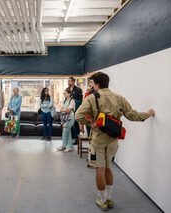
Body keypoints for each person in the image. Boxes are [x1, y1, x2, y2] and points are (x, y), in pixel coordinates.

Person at [75, 72, 155, 211]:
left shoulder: (92, 99)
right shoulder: (119, 98)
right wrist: (148, 114)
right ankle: (110, 198)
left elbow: (78, 115)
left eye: (93, 83)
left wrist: (91, 123)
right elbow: (132, 115)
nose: (92, 86)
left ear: (97, 84)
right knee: (108, 168)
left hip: (98, 139)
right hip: (113, 139)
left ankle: (102, 200)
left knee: (99, 169)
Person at [57, 88, 75, 152]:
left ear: (69, 94)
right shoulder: (65, 101)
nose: (64, 94)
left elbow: (68, 111)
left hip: (71, 119)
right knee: (68, 132)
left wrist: (63, 110)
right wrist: (64, 110)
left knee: (65, 131)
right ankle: (69, 146)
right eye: (63, 93)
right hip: (65, 119)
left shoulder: (72, 101)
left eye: (65, 93)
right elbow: (61, 109)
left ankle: (64, 145)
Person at [68, 77, 83, 144]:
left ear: (73, 82)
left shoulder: (78, 89)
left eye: (69, 81)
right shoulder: (67, 89)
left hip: (76, 109)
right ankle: (69, 139)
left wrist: (75, 103)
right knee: (69, 124)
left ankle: (77, 139)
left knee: (76, 124)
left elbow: (80, 100)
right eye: (68, 81)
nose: (68, 82)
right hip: (68, 110)